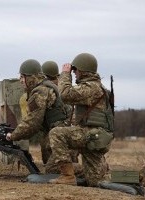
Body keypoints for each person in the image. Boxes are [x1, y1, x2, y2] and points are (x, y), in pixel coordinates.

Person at [48, 53, 114, 186]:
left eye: (76, 70)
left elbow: (65, 94)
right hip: (94, 136)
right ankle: (140, 177)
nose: (75, 73)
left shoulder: (91, 87)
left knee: (56, 133)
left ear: (83, 71)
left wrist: (65, 74)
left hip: (91, 134)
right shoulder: (95, 86)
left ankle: (67, 176)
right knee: (95, 181)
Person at [6, 59, 69, 172]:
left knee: (53, 170)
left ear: (30, 78)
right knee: (51, 166)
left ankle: (88, 170)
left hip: (59, 137)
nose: (20, 81)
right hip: (59, 135)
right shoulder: (45, 87)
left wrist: (13, 135)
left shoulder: (40, 92)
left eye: (22, 77)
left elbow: (32, 122)